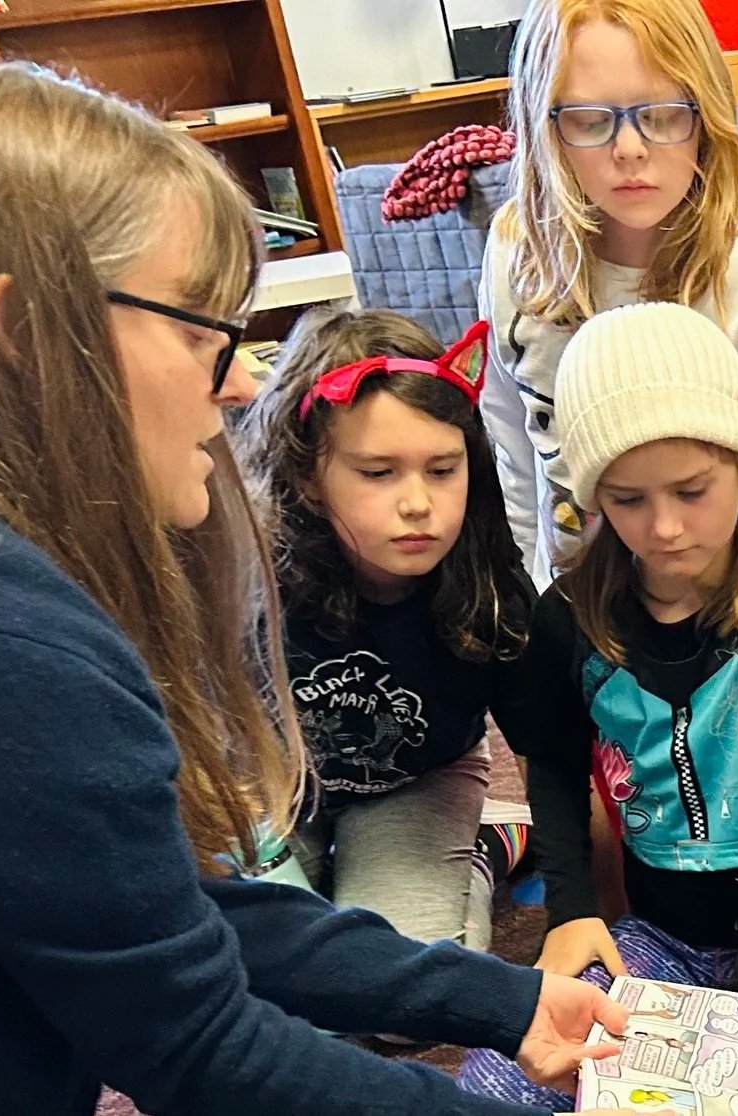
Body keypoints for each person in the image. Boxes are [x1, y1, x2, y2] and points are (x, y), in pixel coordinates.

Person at [0, 61, 642, 1116]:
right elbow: (201, 1046)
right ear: (24, 330)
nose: (238, 384)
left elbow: (157, 915)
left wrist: (501, 1001)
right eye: (202, 331)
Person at [458, 302, 738, 1109]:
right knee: (496, 1081)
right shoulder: (569, 617)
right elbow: (551, 761)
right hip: (661, 941)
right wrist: (572, 911)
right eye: (627, 501)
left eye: (693, 490)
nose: (664, 528)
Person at [480, 0, 738, 587]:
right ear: (543, 126)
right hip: (578, 624)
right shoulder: (517, 258)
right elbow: (513, 449)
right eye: (588, 120)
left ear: (705, 117)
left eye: (661, 115)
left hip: (727, 642)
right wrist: (534, 614)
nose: (630, 148)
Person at [235, 307, 538, 951]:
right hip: (274, 787)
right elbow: (199, 736)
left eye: (441, 469)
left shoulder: (490, 582)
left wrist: (578, 903)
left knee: (409, 991)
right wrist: (268, 866)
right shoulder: (247, 570)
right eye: (377, 473)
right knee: (269, 966)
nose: (417, 503)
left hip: (417, 781)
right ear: (309, 478)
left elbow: (546, 752)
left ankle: (484, 848)